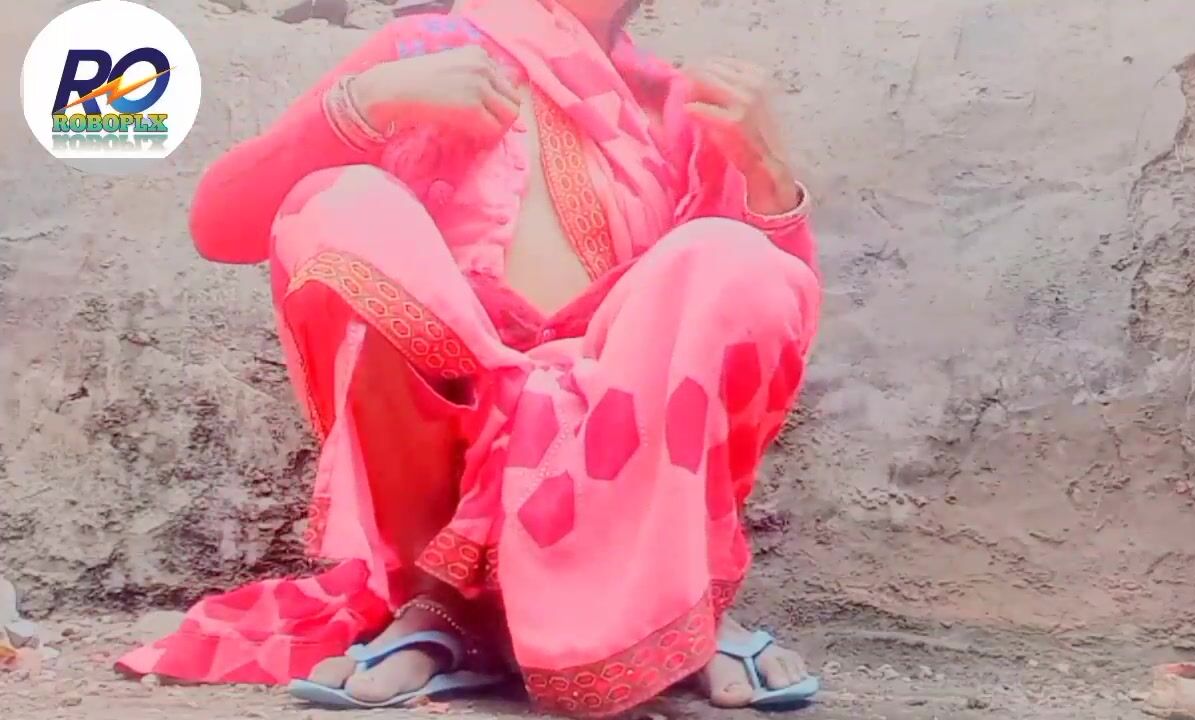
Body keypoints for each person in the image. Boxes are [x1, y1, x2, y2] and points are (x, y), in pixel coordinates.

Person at [118, 0, 822, 716]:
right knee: (340, 204)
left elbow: (764, 319)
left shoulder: (678, 104)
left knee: (731, 258)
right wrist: (369, 100)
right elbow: (220, 223)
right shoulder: (430, 48)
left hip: (609, 456)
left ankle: (676, 598)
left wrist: (766, 175)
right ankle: (443, 601)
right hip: (451, 430)